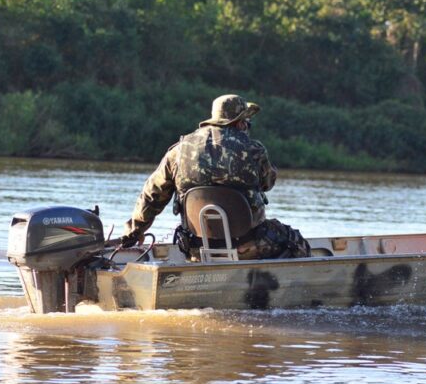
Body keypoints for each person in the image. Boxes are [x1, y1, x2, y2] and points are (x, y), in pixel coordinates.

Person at [119, 94, 310, 260]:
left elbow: (152, 195)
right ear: (241, 123)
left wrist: (135, 231)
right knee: (295, 241)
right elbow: (268, 183)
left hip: (196, 247)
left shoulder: (179, 151)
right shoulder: (254, 150)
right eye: (247, 123)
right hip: (248, 245)